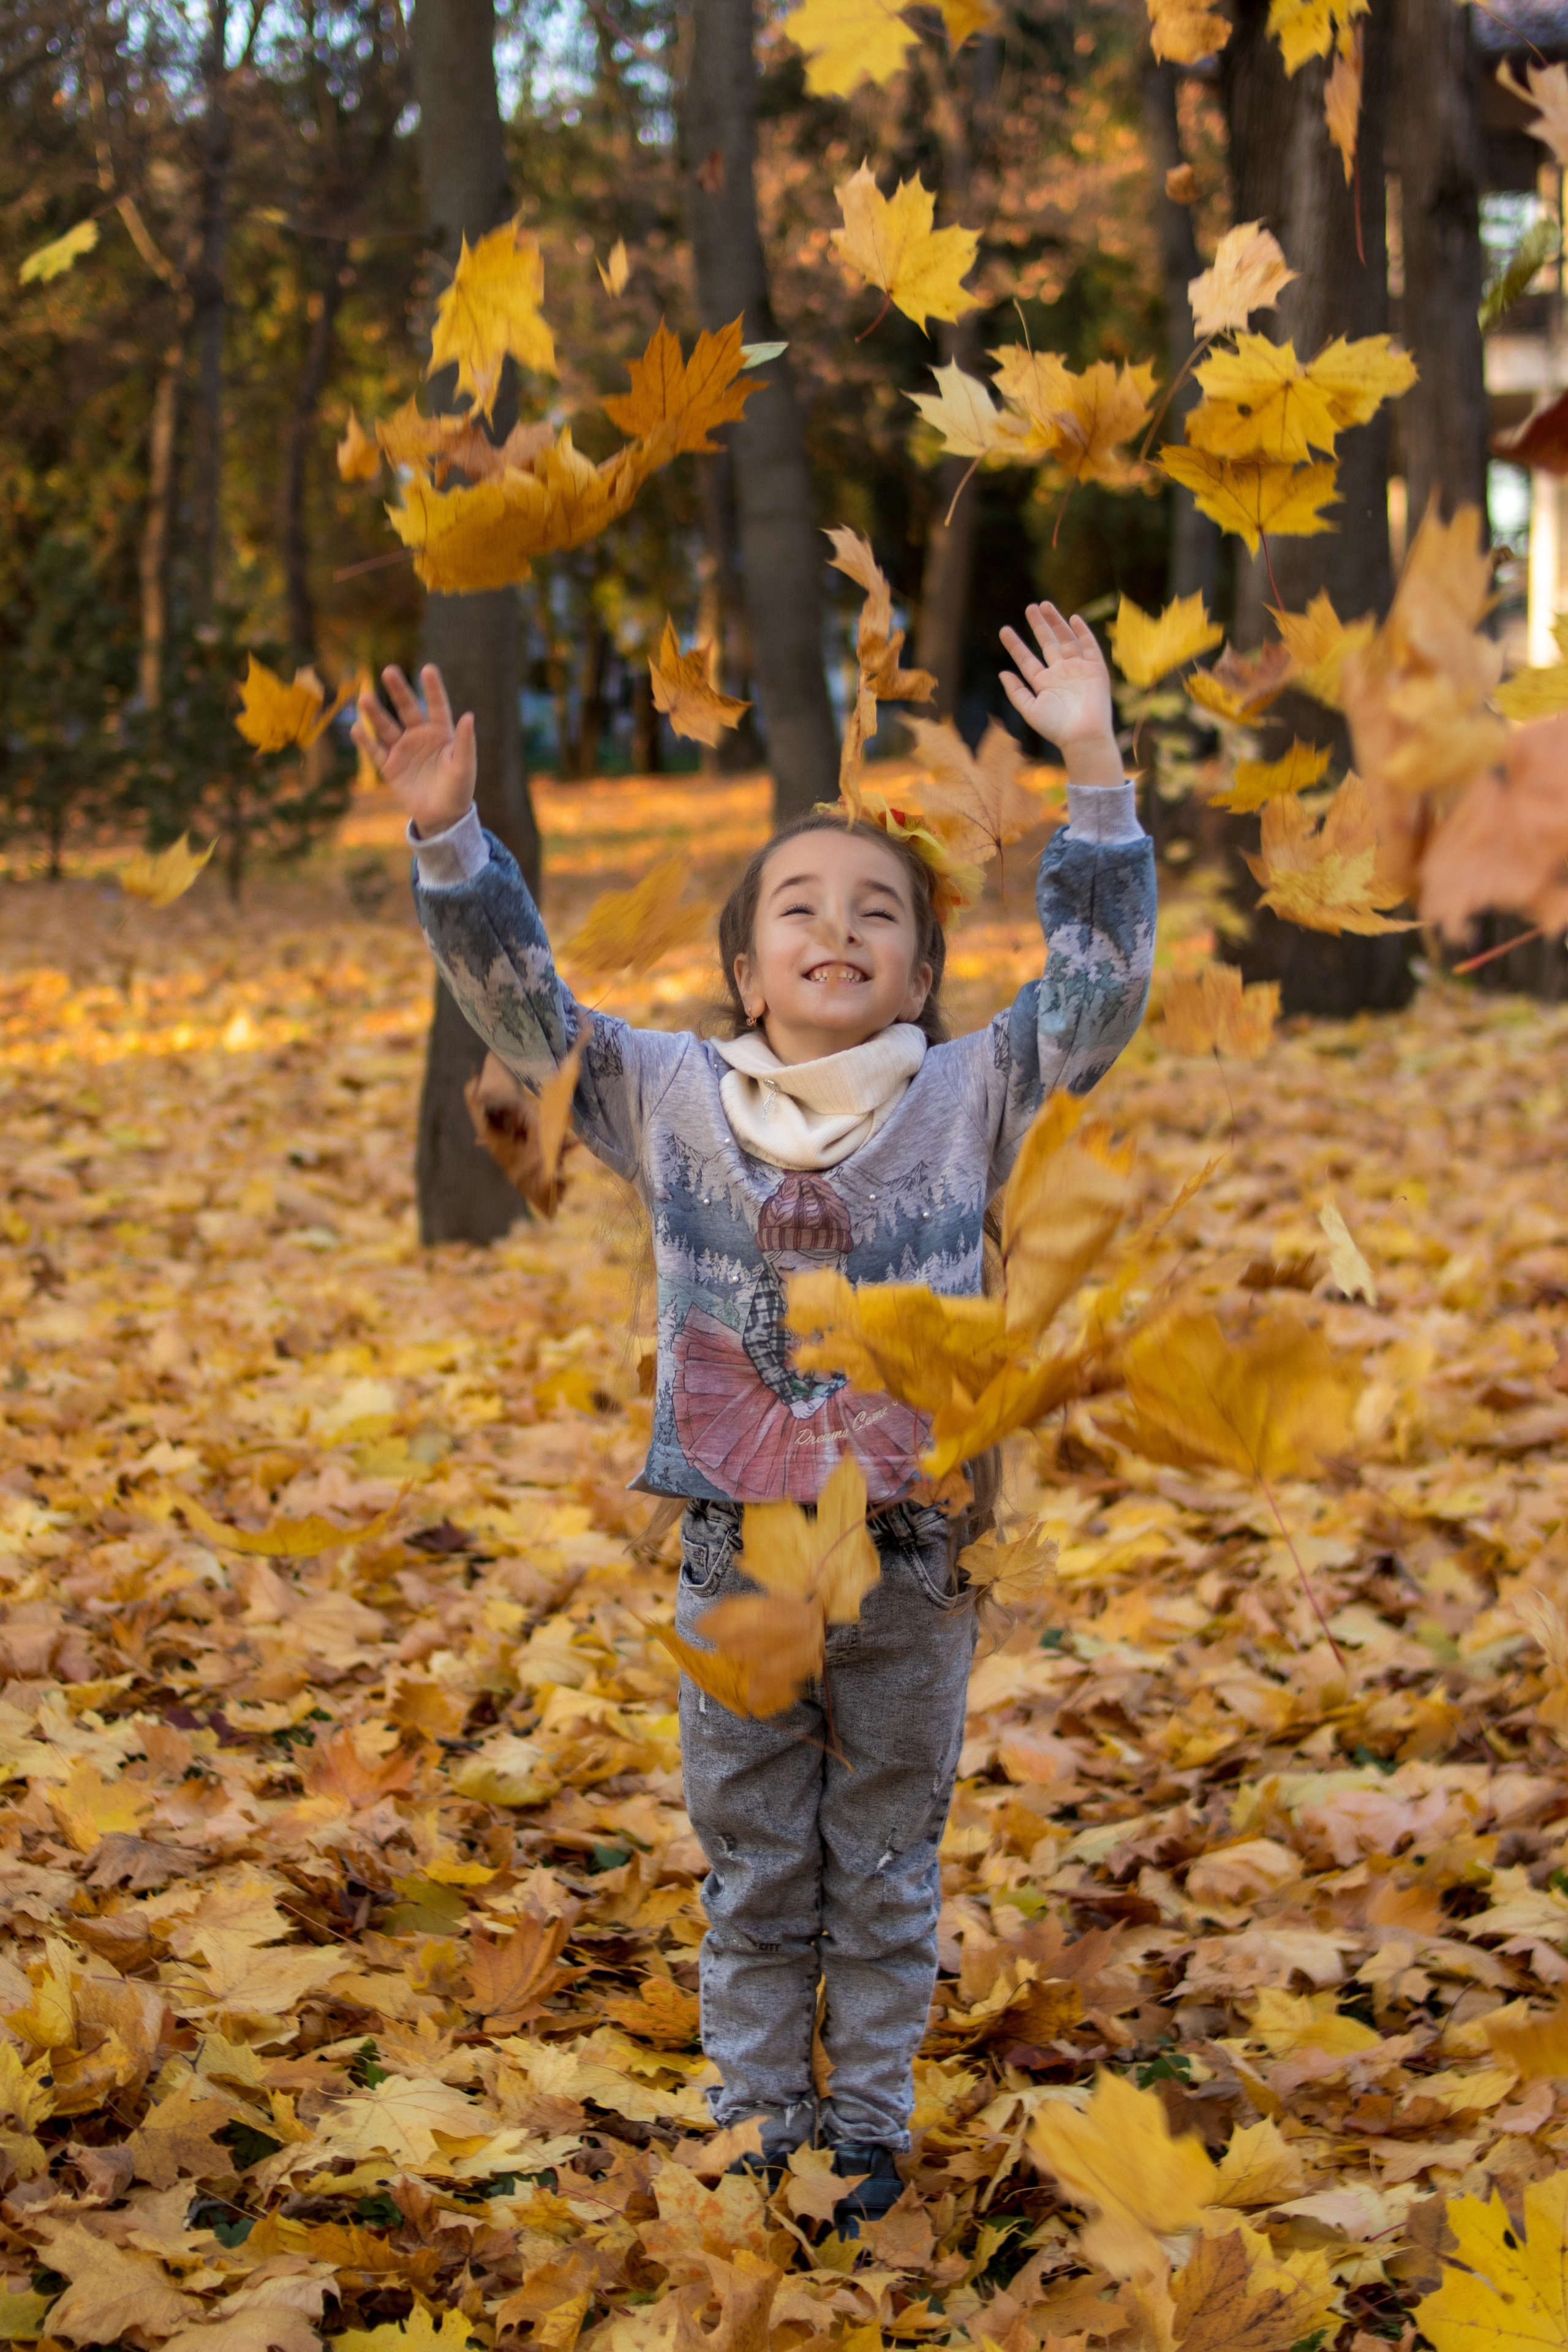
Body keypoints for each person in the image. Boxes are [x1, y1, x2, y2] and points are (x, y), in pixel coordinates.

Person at [354, 602, 1155, 2233]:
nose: (840, 931)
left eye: (881, 914)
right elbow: (523, 1014)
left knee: (878, 1859)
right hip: (735, 1557)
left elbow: (1094, 1001)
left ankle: (863, 2132)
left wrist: (1093, 770)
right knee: (755, 1864)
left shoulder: (967, 1091)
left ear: (924, 969)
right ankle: (753, 2123)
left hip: (915, 1563)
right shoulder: (666, 1097)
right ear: (746, 965)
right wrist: (450, 840)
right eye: (801, 909)